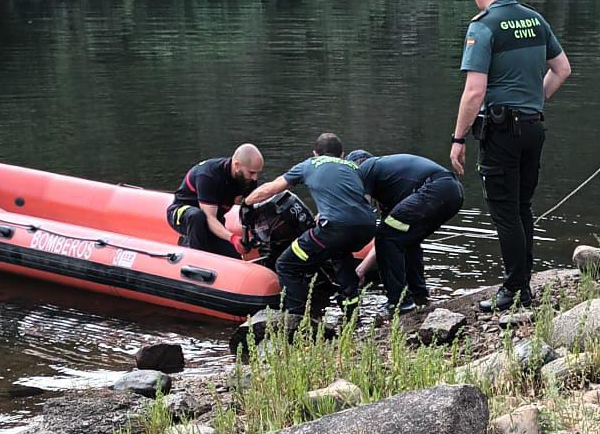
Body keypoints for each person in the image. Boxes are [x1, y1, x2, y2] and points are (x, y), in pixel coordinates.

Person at [449, 0, 572, 313]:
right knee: (521, 206)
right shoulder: (535, 18)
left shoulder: (483, 26)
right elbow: (562, 68)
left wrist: (458, 140)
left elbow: (474, 92)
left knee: (504, 211)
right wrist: (536, 98)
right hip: (533, 125)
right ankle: (523, 284)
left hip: (502, 130)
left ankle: (516, 290)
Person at [245, 133, 375, 316]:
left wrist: (246, 203)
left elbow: (271, 189)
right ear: (342, 154)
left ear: (315, 153)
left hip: (335, 229)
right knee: (341, 253)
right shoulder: (354, 167)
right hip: (367, 228)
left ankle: (297, 318)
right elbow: (356, 197)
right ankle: (351, 312)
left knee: (286, 264)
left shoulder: (309, 165)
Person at [346, 150, 464, 314]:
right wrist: (361, 270)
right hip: (453, 192)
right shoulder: (390, 185)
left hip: (434, 189)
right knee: (407, 241)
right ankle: (419, 296)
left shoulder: (365, 168)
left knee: (386, 237)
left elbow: (362, 214)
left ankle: (398, 301)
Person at [166, 144, 264, 258]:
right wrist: (233, 238)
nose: (255, 178)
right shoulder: (208, 175)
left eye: (257, 173)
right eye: (252, 173)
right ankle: (196, 257)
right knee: (197, 216)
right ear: (237, 166)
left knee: (234, 256)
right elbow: (209, 218)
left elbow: (248, 209)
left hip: (214, 219)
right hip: (183, 213)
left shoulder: (247, 180)